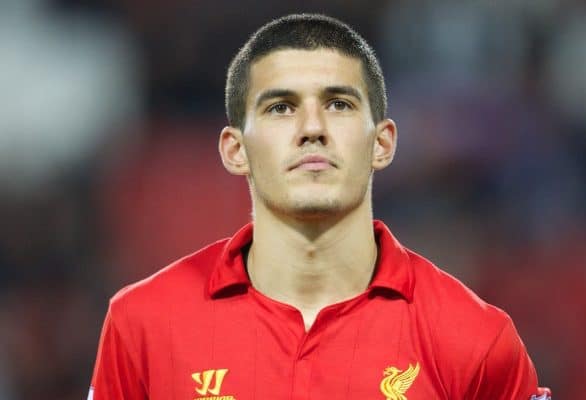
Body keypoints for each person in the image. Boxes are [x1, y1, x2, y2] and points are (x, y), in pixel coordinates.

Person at [88, 13, 551, 400]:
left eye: (339, 104)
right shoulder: (143, 325)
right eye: (280, 108)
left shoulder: (476, 340)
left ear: (383, 143)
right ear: (235, 150)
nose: (312, 128)